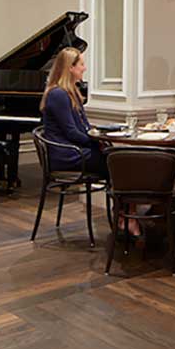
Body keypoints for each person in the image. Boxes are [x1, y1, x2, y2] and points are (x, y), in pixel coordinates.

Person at [41, 48, 135, 233]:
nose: (84, 68)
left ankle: (125, 214)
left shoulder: (71, 92)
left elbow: (83, 127)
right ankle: (125, 216)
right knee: (120, 162)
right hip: (67, 154)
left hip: (75, 149)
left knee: (121, 160)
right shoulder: (58, 94)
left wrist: (100, 136)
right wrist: (97, 142)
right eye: (81, 64)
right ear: (70, 68)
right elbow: (71, 133)